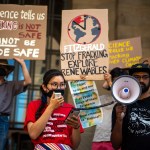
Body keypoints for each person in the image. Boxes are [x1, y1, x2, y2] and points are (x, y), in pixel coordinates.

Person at [24, 69, 84, 150]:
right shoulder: (34, 105)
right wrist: (51, 107)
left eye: (62, 84)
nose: (58, 88)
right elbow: (33, 134)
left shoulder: (70, 108)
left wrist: (76, 127)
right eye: (54, 84)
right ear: (44, 87)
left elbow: (75, 145)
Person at [111, 63, 150, 150]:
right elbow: (115, 145)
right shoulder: (120, 106)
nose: (141, 80)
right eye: (136, 77)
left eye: (145, 77)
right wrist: (119, 121)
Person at [92, 67, 128, 150]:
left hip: (114, 141)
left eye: (119, 82)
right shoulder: (102, 98)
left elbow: (118, 94)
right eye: (114, 81)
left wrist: (109, 81)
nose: (116, 84)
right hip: (98, 139)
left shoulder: (126, 98)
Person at [0, 58, 32, 150]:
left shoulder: (11, 85)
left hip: (3, 119)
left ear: (7, 71)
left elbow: (28, 81)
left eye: (3, 67)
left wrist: (22, 63)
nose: (1, 69)